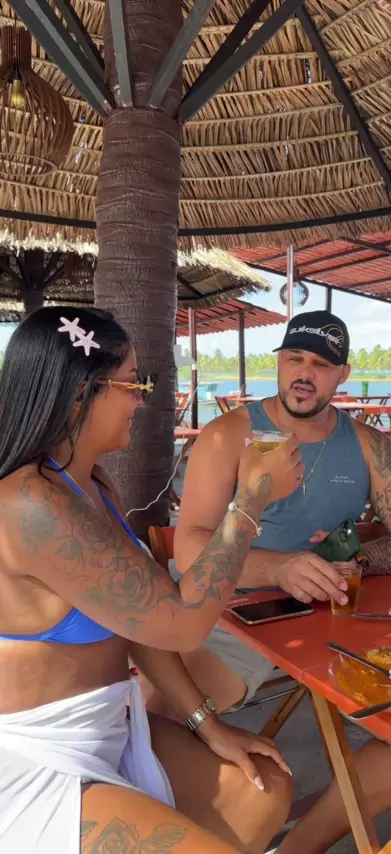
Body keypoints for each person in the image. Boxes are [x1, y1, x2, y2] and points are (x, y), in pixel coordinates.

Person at [0, 306, 306, 854]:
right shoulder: (30, 505)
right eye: (133, 384)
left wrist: (206, 722)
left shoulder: (93, 485)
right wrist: (250, 500)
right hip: (37, 757)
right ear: (81, 393)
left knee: (262, 789)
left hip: (110, 728)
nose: (142, 400)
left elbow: (141, 621)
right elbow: (183, 623)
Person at [161, 309, 391, 854]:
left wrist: (353, 561)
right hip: (233, 613)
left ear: (343, 374)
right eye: (294, 358)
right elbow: (190, 547)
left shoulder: (368, 445)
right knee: (155, 715)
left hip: (335, 616)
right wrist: (279, 568)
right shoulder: (229, 435)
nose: (303, 373)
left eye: (320, 364)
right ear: (279, 362)